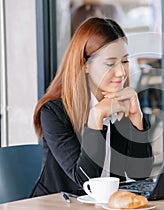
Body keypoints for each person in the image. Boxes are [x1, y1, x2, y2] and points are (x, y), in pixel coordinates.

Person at [31, 17, 153, 197]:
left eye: (125, 61)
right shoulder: (54, 112)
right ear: (85, 65)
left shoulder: (121, 104)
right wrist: (96, 118)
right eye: (110, 63)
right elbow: (85, 179)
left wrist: (137, 121)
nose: (121, 72)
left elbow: (140, 173)